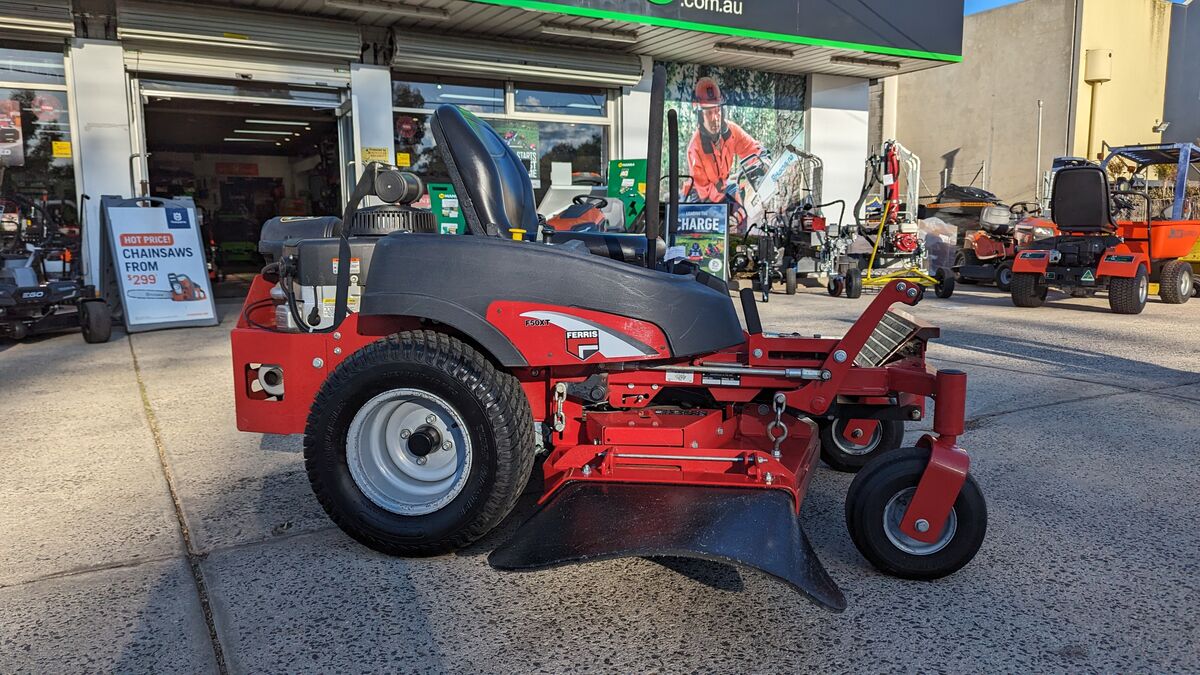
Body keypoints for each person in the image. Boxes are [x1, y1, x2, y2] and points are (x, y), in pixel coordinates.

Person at [683, 77, 765, 206]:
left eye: (717, 111)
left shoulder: (731, 131)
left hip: (722, 188)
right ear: (700, 116)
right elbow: (705, 192)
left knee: (742, 200)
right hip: (700, 197)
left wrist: (762, 159)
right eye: (709, 113)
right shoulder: (695, 147)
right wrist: (730, 200)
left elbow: (751, 149)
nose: (715, 118)